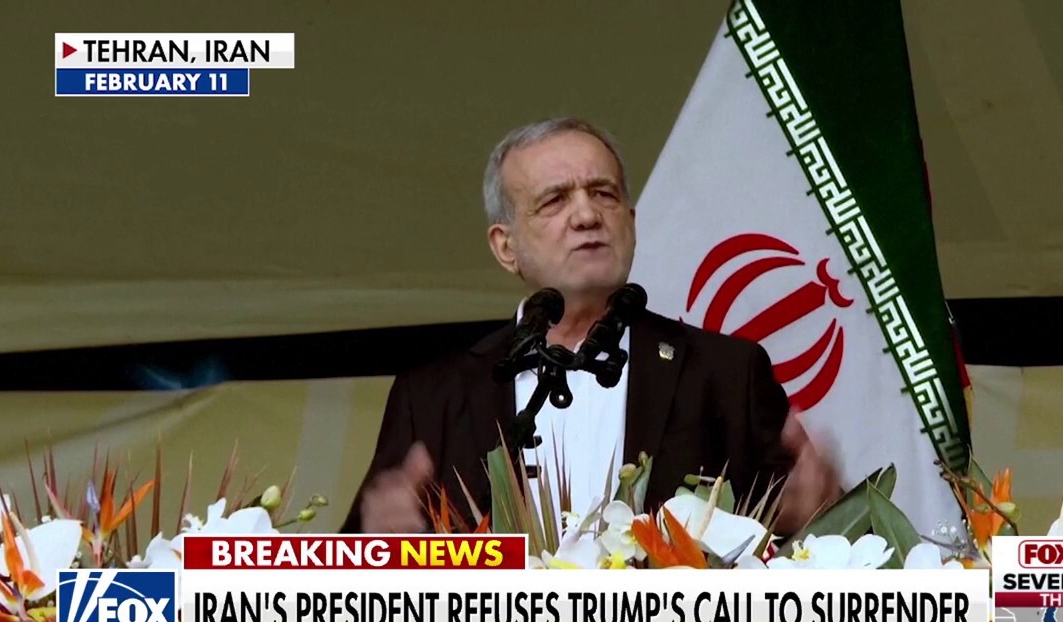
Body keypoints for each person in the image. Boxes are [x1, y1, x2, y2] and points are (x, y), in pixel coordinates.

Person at [340, 118, 843, 536]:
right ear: (506, 247)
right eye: (555, 200)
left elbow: (824, 547)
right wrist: (379, 546)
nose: (586, 215)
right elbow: (350, 576)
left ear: (631, 222)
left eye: (603, 194)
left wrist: (812, 514)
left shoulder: (726, 373)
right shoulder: (432, 396)